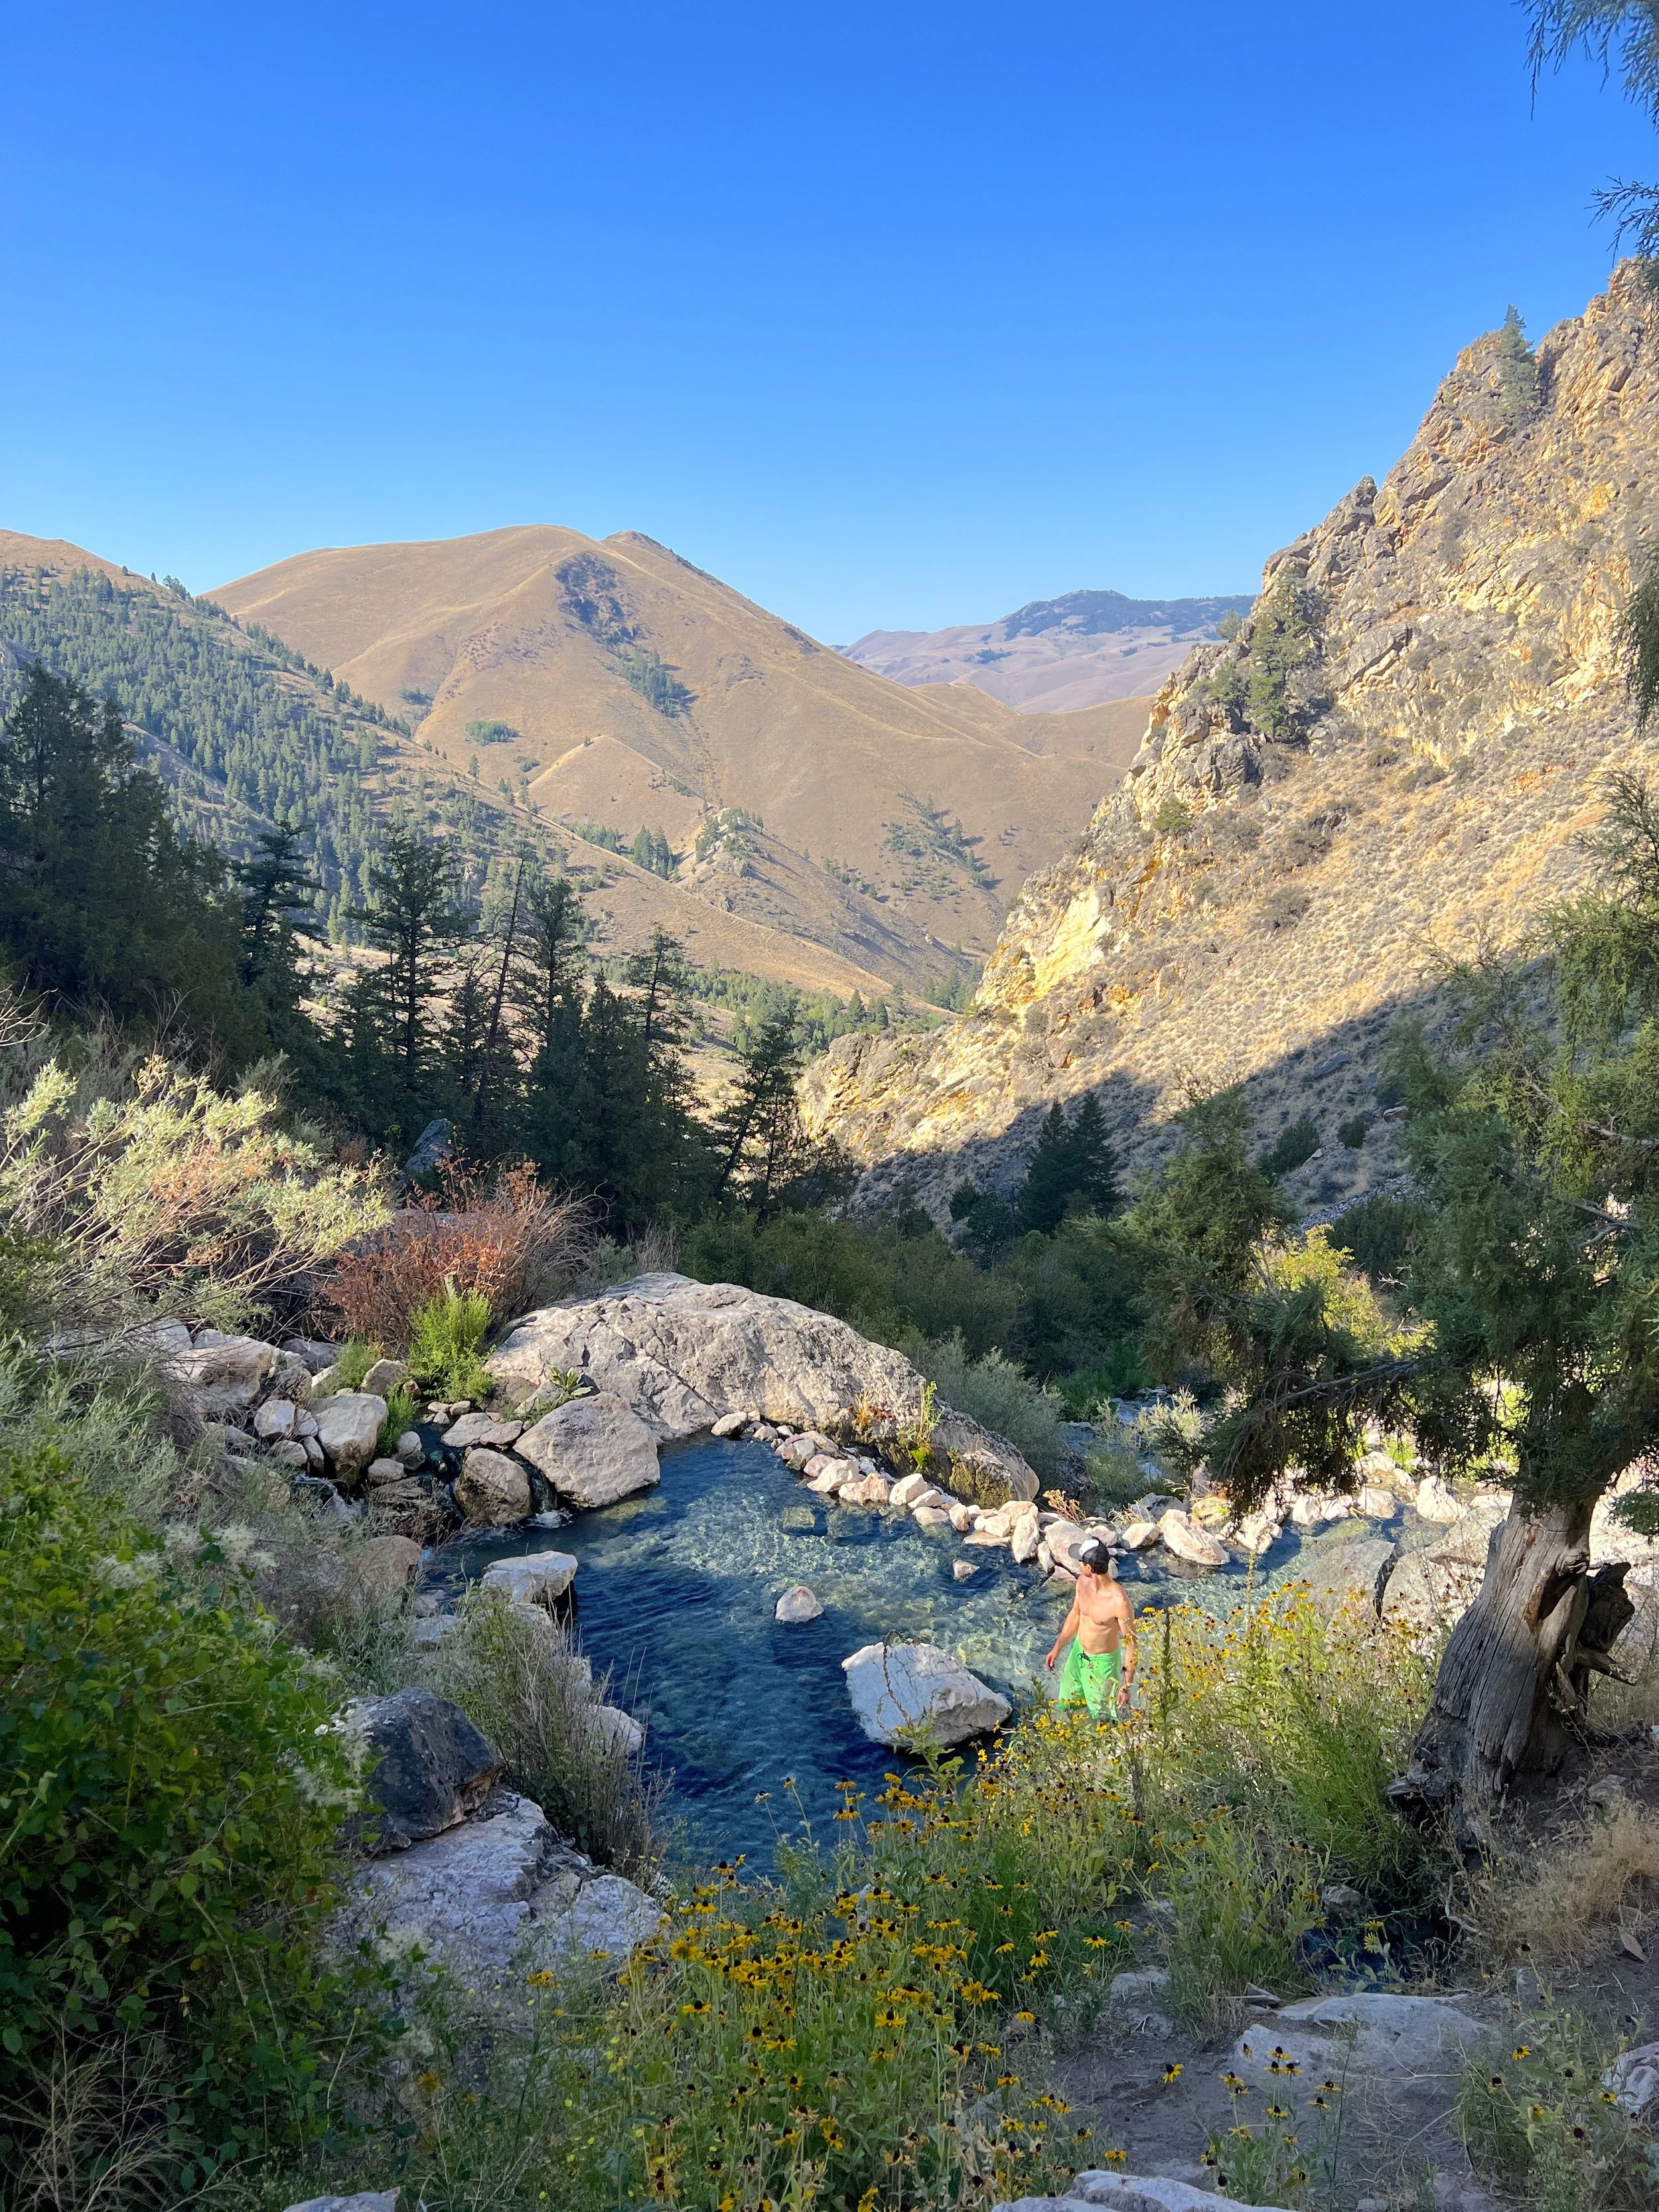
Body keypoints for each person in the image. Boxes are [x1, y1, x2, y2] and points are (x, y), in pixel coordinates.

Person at [1045, 1535, 1135, 1720]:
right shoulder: (1082, 1583)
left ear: (1090, 1568)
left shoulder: (1119, 1601)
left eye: (1080, 1561)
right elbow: (1076, 1615)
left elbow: (1132, 1645)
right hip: (1078, 1653)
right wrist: (1058, 1647)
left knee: (1102, 1717)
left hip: (1102, 1665)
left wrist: (1126, 1685)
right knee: (1069, 1704)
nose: (1077, 1564)